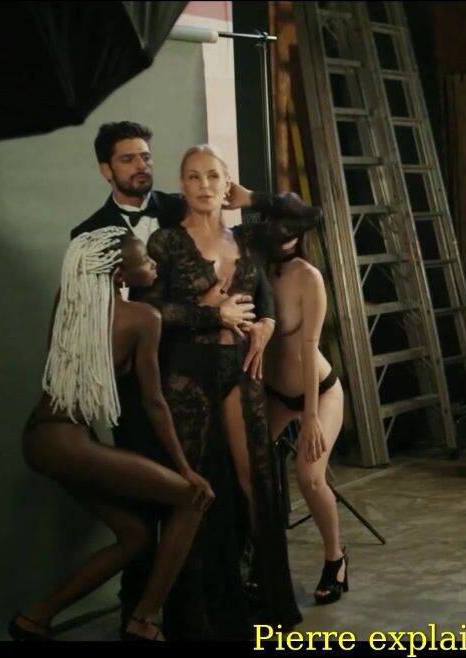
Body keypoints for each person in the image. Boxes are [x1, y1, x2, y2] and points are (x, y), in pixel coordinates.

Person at [69, 121, 265, 628]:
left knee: (201, 490)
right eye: (128, 159)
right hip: (131, 386)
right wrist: (210, 312)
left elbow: (242, 216)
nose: (141, 166)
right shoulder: (88, 235)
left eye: (146, 156)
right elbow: (98, 321)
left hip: (188, 377)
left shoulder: (179, 205)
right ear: (105, 169)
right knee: (145, 502)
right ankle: (138, 613)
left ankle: (196, 604)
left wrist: (242, 193)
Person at [10, 227, 214, 642]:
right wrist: (184, 468)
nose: (153, 264)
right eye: (145, 259)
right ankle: (146, 619)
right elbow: (154, 402)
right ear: (120, 273)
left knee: (135, 536)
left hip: (40, 437)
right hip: (67, 441)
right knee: (193, 498)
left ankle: (34, 618)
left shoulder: (68, 303)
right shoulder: (143, 318)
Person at [141, 144, 302, 638]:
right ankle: (198, 613)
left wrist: (266, 325)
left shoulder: (247, 239)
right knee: (197, 489)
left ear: (226, 181)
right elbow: (149, 312)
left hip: (241, 368)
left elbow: (303, 218)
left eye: (213, 175)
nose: (204, 185)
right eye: (193, 176)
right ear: (182, 185)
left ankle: (263, 596)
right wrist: (213, 314)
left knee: (254, 480)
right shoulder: (166, 242)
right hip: (187, 374)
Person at [251, 197, 353, 605]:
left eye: (294, 230)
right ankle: (258, 561)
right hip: (275, 393)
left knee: (309, 476)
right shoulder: (256, 270)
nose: (286, 238)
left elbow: (310, 347)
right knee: (249, 470)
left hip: (319, 391)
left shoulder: (309, 277)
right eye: (279, 228)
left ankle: (335, 559)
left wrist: (310, 416)